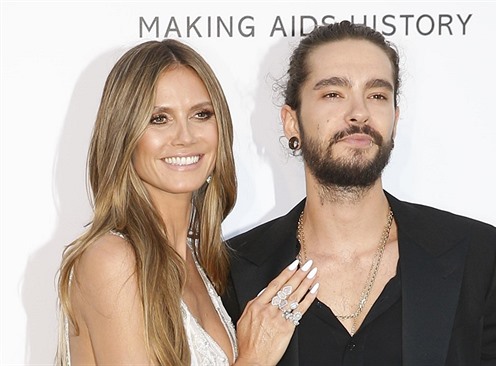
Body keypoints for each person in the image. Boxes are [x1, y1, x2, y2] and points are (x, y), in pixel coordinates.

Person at [223, 21, 496, 365]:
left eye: (377, 95)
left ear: (394, 118)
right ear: (292, 122)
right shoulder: (234, 269)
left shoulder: (477, 254)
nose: (359, 113)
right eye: (333, 94)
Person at [55, 39, 319, 365]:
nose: (185, 136)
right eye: (159, 118)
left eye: (201, 114)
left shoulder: (201, 263)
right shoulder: (112, 260)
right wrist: (254, 358)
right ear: (123, 134)